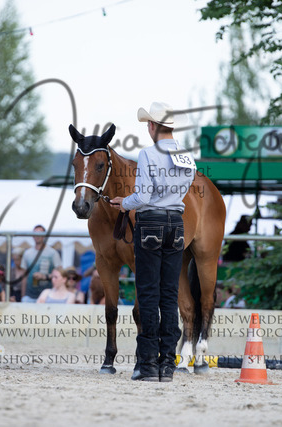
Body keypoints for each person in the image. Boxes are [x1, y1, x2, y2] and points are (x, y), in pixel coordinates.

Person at [110, 101, 194, 382]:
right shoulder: (186, 156)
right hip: (176, 224)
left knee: (148, 294)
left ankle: (147, 365)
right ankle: (167, 364)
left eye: (148, 124)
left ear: (153, 126)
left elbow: (143, 196)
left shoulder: (148, 154)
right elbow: (182, 190)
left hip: (150, 224)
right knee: (169, 295)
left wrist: (124, 203)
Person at [21, 225, 62, 303]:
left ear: (45, 236)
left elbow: (60, 274)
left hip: (49, 296)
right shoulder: (27, 253)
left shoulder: (53, 253)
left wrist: (44, 276)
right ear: (32, 236)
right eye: (35, 233)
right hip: (30, 296)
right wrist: (23, 296)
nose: (37, 236)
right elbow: (24, 277)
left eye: (40, 233)